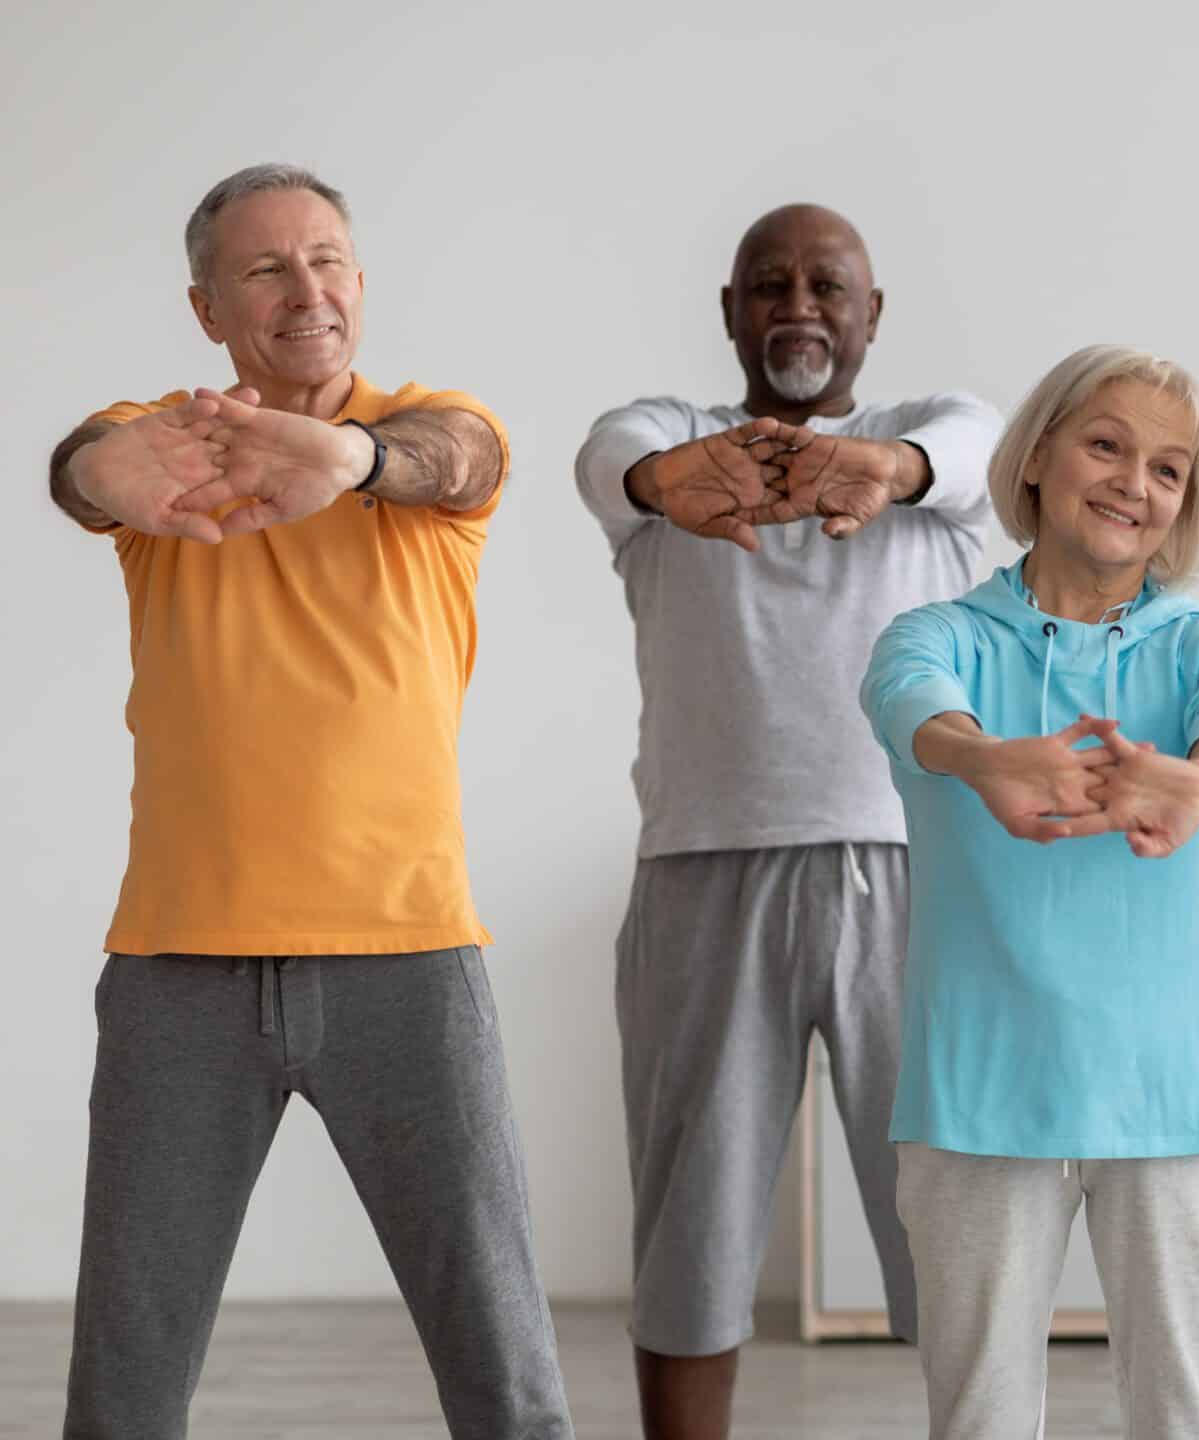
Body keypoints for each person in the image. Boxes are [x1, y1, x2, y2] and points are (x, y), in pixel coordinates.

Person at [43, 163, 572, 1437]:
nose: (306, 290)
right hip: (182, 964)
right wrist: (91, 474)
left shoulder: (429, 434)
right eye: (265, 269)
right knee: (124, 1382)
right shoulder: (171, 443)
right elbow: (83, 466)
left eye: (327, 258)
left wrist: (347, 455)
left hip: (407, 953)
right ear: (206, 307)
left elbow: (462, 457)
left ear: (360, 277)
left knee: (503, 1373)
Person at [573, 203, 1000, 1438]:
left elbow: (977, 444)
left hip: (914, 881)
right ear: (729, 312)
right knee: (692, 1229)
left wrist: (888, 471)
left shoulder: (928, 453)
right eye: (770, 284)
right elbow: (607, 456)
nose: (798, 305)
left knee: (953, 1220)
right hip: (704, 877)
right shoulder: (667, 453)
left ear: (872, 316)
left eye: (827, 285)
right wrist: (667, 484)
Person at [862, 345, 1199, 1439]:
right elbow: (911, 700)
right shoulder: (939, 633)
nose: (1132, 484)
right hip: (981, 1094)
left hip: (1173, 1094)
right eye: (1106, 445)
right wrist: (986, 758)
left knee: (1188, 1414)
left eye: (1167, 469)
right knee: (980, 1418)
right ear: (1040, 454)